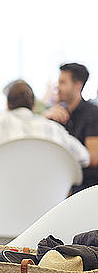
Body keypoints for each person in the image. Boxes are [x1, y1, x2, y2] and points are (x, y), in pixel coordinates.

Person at [0, 80, 89, 167]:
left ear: (7, 104)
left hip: (0, 201)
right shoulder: (54, 130)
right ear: (34, 105)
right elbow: (84, 158)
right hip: (47, 204)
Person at [42, 63, 98, 192]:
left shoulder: (93, 114)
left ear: (77, 85)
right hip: (61, 180)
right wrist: (45, 117)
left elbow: (94, 157)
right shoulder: (57, 113)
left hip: (85, 187)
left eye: (62, 82)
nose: (57, 87)